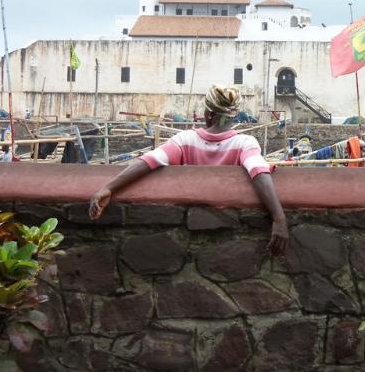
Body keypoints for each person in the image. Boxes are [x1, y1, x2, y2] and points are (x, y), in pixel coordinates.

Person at [89, 84, 289, 255]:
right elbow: (258, 171)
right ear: (233, 116)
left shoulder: (185, 140)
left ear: (209, 114)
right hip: (229, 232)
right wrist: (279, 218)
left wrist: (108, 188)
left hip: (190, 229)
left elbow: (150, 160)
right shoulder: (246, 143)